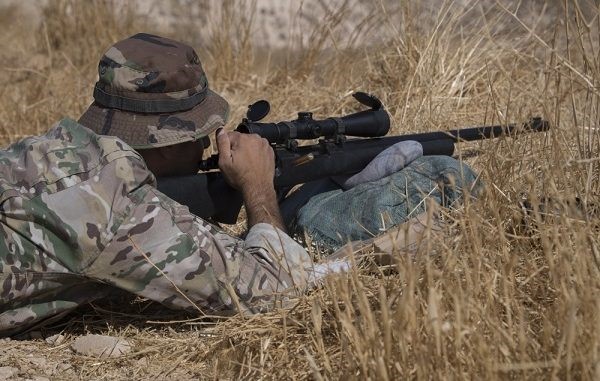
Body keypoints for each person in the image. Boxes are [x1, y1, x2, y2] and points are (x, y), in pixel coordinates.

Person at [0, 33, 478, 337]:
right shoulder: (117, 207)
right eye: (200, 129)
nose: (211, 140)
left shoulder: (54, 148)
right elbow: (270, 292)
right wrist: (259, 194)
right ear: (166, 137)